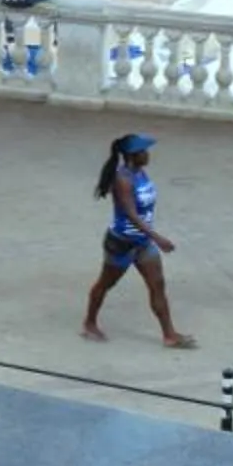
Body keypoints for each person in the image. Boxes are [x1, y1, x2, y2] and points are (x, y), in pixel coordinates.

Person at [83, 134, 195, 347]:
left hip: (142, 242)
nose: (148, 155)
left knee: (157, 285)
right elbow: (131, 213)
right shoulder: (123, 179)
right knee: (105, 284)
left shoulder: (140, 173)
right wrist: (157, 237)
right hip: (121, 243)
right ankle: (89, 323)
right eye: (144, 152)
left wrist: (150, 236)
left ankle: (169, 334)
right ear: (133, 156)